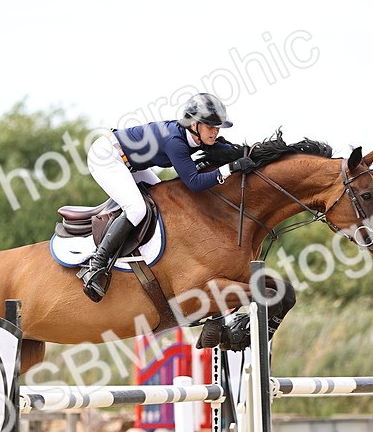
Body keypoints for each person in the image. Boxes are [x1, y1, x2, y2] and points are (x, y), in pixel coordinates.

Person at [77, 93, 254, 302]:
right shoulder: (175, 141)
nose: (216, 131)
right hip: (107, 157)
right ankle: (95, 266)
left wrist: (252, 152)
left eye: (217, 127)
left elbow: (225, 149)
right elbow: (194, 183)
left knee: (164, 203)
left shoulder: (195, 135)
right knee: (137, 208)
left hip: (129, 162)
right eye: (211, 126)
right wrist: (230, 169)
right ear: (194, 124)